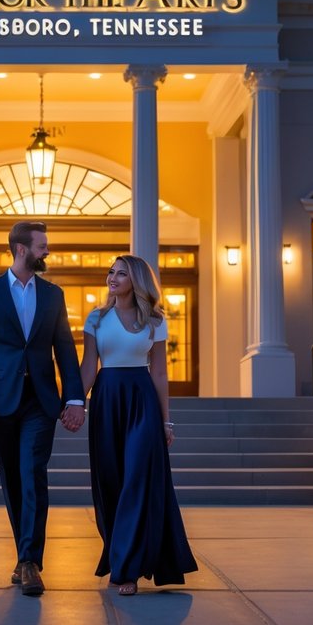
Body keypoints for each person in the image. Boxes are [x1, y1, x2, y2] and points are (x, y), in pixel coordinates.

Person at [0, 220, 87, 597]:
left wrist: (75, 398)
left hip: (41, 401)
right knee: (12, 479)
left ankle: (31, 561)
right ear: (21, 249)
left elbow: (65, 347)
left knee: (32, 472)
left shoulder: (53, 295)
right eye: (41, 246)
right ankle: (24, 557)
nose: (46, 251)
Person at [78, 254, 197, 595]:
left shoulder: (155, 320)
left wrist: (166, 421)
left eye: (121, 274)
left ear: (137, 281)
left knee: (137, 480)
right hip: (106, 399)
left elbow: (159, 373)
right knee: (112, 481)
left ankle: (127, 570)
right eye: (110, 272)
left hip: (142, 400)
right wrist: (71, 403)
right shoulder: (97, 318)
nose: (112, 278)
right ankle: (120, 554)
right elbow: (89, 367)